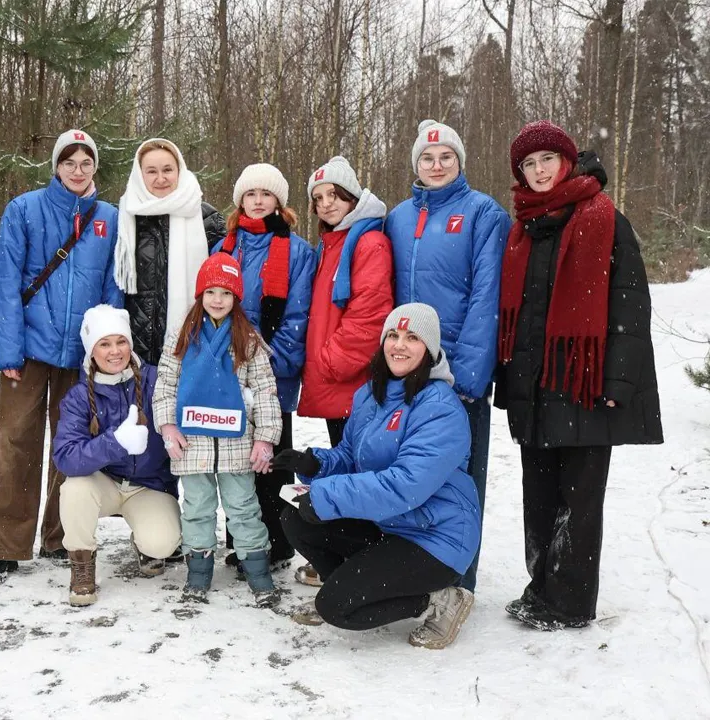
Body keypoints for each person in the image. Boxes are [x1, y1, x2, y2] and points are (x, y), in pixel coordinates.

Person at [496, 121, 663, 630]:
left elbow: (629, 307)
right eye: (529, 163)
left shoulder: (605, 220)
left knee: (581, 500)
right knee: (539, 494)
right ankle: (540, 586)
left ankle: (568, 603)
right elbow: (518, 315)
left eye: (547, 159)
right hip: (538, 387)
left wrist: (617, 384)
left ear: (566, 161)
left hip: (585, 383)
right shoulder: (522, 227)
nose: (539, 170)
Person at [276, 303, 479, 649]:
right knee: (296, 518)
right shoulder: (372, 394)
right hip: (389, 524)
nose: (399, 345)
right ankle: (352, 587)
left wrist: (326, 495)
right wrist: (315, 464)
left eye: (412, 338)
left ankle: (437, 600)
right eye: (393, 335)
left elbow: (404, 486)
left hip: (434, 538)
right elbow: (351, 457)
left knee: (336, 608)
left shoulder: (440, 409)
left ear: (429, 349)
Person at [0, 130, 122, 585]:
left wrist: (106, 346)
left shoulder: (109, 219)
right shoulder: (24, 209)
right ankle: (5, 545)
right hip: (29, 348)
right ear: (56, 166)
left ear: (94, 167)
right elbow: (5, 281)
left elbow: (112, 286)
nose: (77, 170)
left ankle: (59, 536)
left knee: (73, 443)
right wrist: (6, 348)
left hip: (81, 355)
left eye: (85, 162)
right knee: (15, 441)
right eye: (69, 161)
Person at [384, 119, 511, 595]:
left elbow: (487, 297)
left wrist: (470, 374)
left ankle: (460, 582)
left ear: (460, 162)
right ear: (415, 164)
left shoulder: (483, 214)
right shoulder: (398, 217)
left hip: (456, 370)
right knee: (412, 472)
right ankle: (414, 569)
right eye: (427, 158)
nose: (436, 166)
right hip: (406, 366)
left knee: (462, 476)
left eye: (446, 158)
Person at [152, 253, 283, 606]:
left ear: (236, 297)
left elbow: (265, 392)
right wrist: (167, 426)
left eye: (225, 293)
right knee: (196, 507)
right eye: (210, 291)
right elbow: (165, 385)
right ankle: (198, 574)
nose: (217, 300)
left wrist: (265, 440)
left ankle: (257, 571)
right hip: (191, 442)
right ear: (200, 295)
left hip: (236, 444)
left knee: (243, 508)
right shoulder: (182, 337)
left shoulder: (248, 338)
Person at [211, 163, 316, 575]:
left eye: (266, 194)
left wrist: (272, 361)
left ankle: (277, 543)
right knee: (237, 459)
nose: (258, 200)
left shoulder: (297, 251)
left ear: (279, 202)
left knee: (270, 460)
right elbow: (212, 307)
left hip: (274, 373)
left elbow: (299, 314)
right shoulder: (224, 249)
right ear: (240, 201)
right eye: (250, 194)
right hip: (229, 372)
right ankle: (242, 542)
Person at [295, 155, 394, 586]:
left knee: (357, 471)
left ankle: (360, 559)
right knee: (347, 468)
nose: (326, 204)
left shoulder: (367, 242)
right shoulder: (334, 242)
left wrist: (329, 361)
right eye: (317, 199)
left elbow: (370, 314)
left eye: (333, 195)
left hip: (351, 379)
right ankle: (346, 555)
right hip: (338, 380)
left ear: (351, 195)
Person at [50, 304, 181, 605]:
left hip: (150, 486)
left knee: (163, 543)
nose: (115, 351)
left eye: (121, 341)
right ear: (91, 351)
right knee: (74, 489)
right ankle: (82, 566)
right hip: (105, 484)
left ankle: (145, 544)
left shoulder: (155, 381)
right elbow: (66, 456)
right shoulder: (79, 396)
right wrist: (116, 442)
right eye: (104, 344)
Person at [114, 138, 226, 365]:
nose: (161, 179)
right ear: (139, 174)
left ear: (179, 170)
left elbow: (224, 282)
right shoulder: (125, 218)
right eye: (151, 171)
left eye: (167, 170)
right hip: (137, 348)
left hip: (195, 341)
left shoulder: (207, 219)